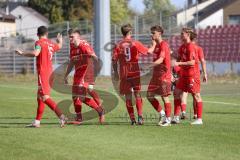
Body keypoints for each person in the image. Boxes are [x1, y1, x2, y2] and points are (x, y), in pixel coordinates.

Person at [15, 26, 66, 128]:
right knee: (40, 97)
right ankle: (37, 122)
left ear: (37, 35)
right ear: (46, 34)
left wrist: (22, 53)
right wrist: (60, 41)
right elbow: (59, 46)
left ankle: (62, 116)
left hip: (43, 73)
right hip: (50, 73)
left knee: (44, 97)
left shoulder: (39, 43)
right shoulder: (51, 43)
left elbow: (36, 53)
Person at [112, 24, 155, 125]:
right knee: (138, 94)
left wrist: (116, 73)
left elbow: (114, 61)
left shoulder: (118, 45)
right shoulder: (135, 43)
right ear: (130, 33)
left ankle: (132, 119)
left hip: (124, 73)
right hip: (135, 72)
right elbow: (148, 52)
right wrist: (153, 44)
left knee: (127, 97)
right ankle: (140, 116)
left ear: (122, 33)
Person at [64, 29, 104, 124]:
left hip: (86, 72)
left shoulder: (84, 46)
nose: (70, 39)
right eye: (69, 37)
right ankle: (79, 118)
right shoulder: (72, 47)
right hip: (78, 73)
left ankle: (100, 111)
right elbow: (72, 62)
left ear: (78, 37)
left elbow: (95, 58)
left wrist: (94, 73)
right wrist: (65, 75)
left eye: (72, 37)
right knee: (75, 96)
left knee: (81, 95)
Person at [172, 27, 203, 125]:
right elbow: (179, 58)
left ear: (188, 35)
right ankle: (176, 117)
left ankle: (199, 119)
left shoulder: (191, 46)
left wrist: (178, 64)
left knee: (196, 95)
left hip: (192, 75)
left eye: (182, 34)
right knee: (176, 93)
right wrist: (171, 55)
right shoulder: (182, 47)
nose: (181, 35)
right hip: (183, 75)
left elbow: (192, 62)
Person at [144, 25, 172, 126]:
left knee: (165, 97)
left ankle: (168, 120)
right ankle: (162, 114)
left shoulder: (164, 44)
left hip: (163, 75)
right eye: (151, 33)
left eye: (153, 33)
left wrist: (148, 66)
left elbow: (161, 60)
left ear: (159, 34)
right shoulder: (157, 45)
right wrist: (153, 44)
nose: (151, 34)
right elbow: (148, 52)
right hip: (156, 75)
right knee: (149, 95)